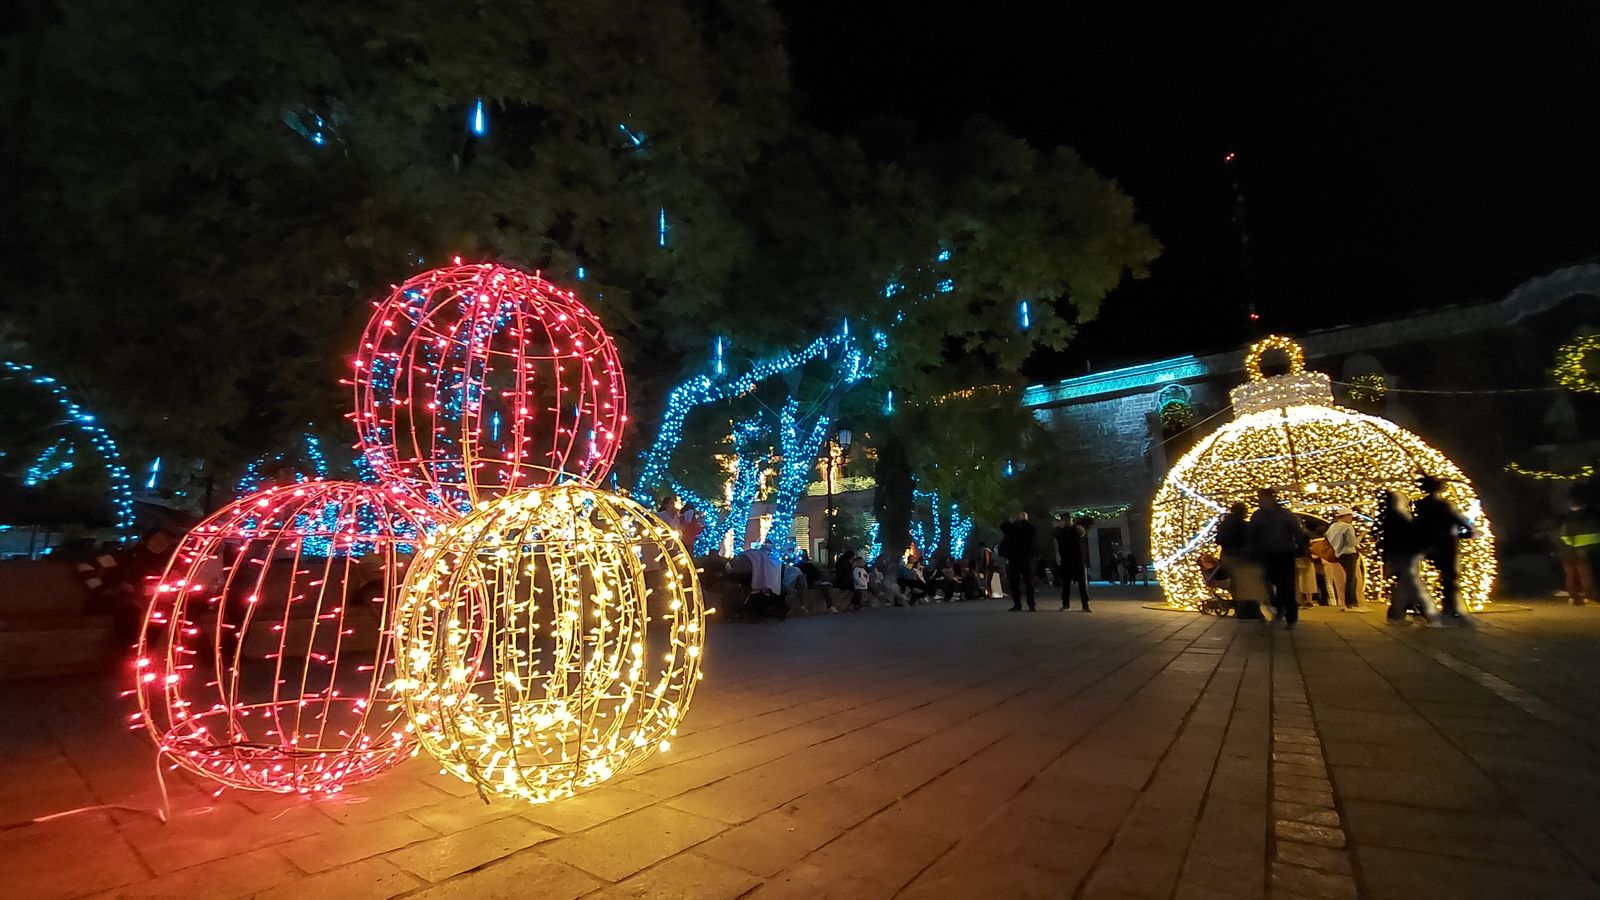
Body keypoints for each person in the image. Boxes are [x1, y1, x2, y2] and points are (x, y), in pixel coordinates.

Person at [1412, 475, 1472, 621]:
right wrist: (1468, 529)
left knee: (1436, 575)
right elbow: (1456, 519)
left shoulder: (1421, 504)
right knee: (1449, 577)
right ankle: (1450, 607)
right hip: (1445, 543)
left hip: (1429, 543)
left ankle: (1425, 605)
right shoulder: (1442, 505)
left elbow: (1418, 523)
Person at [1377, 490, 1440, 625]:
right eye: (1403, 497)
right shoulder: (1396, 517)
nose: (1406, 499)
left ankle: (1396, 616)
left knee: (1406, 586)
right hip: (1403, 556)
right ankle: (1431, 617)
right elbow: (1405, 536)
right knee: (1413, 585)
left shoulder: (1398, 515)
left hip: (1405, 556)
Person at [1249, 488, 1308, 629]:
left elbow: (1297, 533)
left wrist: (1301, 550)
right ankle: (1280, 607)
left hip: (1283, 554)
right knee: (1267, 584)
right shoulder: (1259, 515)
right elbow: (1252, 535)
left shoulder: (1284, 515)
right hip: (1266, 555)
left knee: (1286, 586)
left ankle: (1291, 617)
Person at [1557, 494, 1600, 605]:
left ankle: (1574, 597)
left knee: (1571, 576)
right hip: (1582, 553)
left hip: (1568, 553)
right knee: (1585, 576)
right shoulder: (1589, 520)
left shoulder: (1568, 519)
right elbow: (1595, 535)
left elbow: (1564, 537)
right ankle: (1590, 596)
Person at [1324, 507, 1363, 610]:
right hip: (1349, 554)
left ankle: (1347, 602)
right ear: (1345, 516)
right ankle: (1350, 603)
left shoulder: (1332, 526)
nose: (1351, 518)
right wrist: (1361, 536)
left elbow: (1327, 538)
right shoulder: (1347, 527)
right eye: (1350, 516)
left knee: (1348, 578)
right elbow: (1352, 543)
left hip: (1338, 554)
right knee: (1351, 578)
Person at [999, 511, 1037, 611]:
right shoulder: (1021, 528)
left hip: (1017, 557)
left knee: (1018, 581)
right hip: (1022, 557)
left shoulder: (1018, 528)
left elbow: (1005, 528)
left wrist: (1013, 522)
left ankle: (1021, 604)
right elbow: (1004, 528)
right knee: (1025, 581)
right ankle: (1028, 604)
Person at [1054, 515, 1091, 611]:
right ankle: (1066, 604)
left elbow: (1082, 533)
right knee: (1066, 584)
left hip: (1076, 559)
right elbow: (1055, 536)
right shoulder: (1060, 531)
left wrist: (1073, 526)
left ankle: (1085, 604)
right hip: (1066, 560)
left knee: (1081, 583)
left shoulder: (1075, 528)